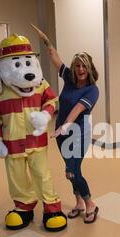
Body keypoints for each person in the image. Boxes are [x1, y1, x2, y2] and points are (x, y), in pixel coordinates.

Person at [32, 25, 99, 224]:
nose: (80, 70)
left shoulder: (92, 90)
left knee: (72, 170)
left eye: (84, 66)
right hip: (62, 133)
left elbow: (77, 109)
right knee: (71, 171)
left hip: (77, 133)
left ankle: (90, 204)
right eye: (77, 65)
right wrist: (46, 41)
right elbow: (55, 58)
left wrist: (65, 125)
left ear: (89, 68)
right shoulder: (69, 79)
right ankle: (78, 202)